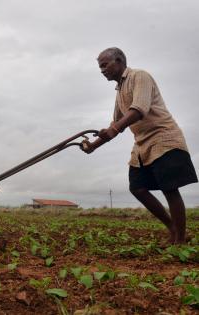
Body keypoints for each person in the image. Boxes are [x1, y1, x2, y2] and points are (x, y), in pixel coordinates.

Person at [82, 47, 198, 244]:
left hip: (163, 137)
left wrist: (114, 129)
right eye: (100, 67)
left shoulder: (139, 76)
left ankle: (179, 240)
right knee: (137, 187)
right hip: (143, 143)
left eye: (104, 65)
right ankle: (173, 228)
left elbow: (139, 109)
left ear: (119, 61)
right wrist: (93, 146)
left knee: (169, 188)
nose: (102, 70)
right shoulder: (119, 92)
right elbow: (114, 125)